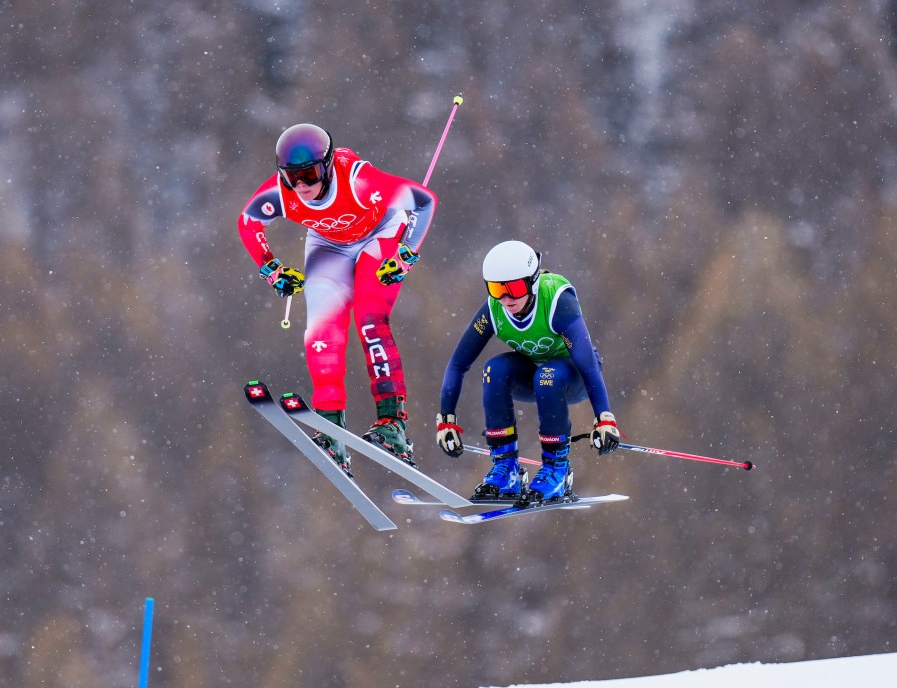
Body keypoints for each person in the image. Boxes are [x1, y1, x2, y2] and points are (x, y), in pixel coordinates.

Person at [238, 123, 437, 475]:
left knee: (369, 318)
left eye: (310, 174)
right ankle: (330, 427)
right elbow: (248, 222)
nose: (302, 186)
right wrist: (272, 269)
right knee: (320, 330)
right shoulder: (281, 193)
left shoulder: (360, 182)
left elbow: (424, 200)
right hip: (328, 244)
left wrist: (406, 254)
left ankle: (393, 423)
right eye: (292, 177)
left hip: (381, 233)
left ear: (327, 166)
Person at [434, 240, 622, 506]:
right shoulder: (494, 310)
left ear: (532, 282)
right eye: (497, 289)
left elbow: (588, 365)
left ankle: (557, 470)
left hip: (574, 377)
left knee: (548, 376)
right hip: (535, 375)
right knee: (494, 370)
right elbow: (458, 364)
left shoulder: (557, 300)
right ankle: (506, 469)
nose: (506, 299)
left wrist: (604, 417)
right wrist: (446, 419)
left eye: (514, 289)